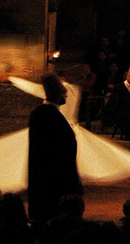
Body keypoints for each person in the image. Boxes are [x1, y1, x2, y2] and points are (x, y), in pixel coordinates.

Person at [0, 73, 130, 195]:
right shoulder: (73, 90)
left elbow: (33, 88)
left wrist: (13, 79)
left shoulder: (51, 104)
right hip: (71, 127)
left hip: (61, 130)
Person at [28, 73, 84, 228]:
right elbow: (60, 153)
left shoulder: (41, 114)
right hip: (54, 181)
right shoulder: (51, 116)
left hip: (44, 179)